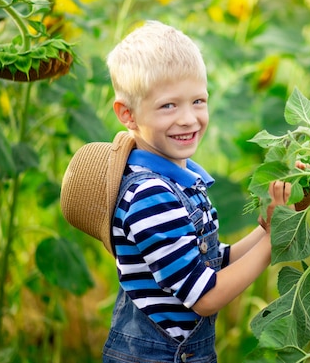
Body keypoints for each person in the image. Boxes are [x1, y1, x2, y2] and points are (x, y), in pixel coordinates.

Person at [101, 20, 291, 362]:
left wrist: (265, 229)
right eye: (168, 106)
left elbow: (210, 261)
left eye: (198, 100)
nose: (189, 118)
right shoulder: (150, 196)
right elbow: (204, 295)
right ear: (127, 114)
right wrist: (272, 242)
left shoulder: (180, 181)